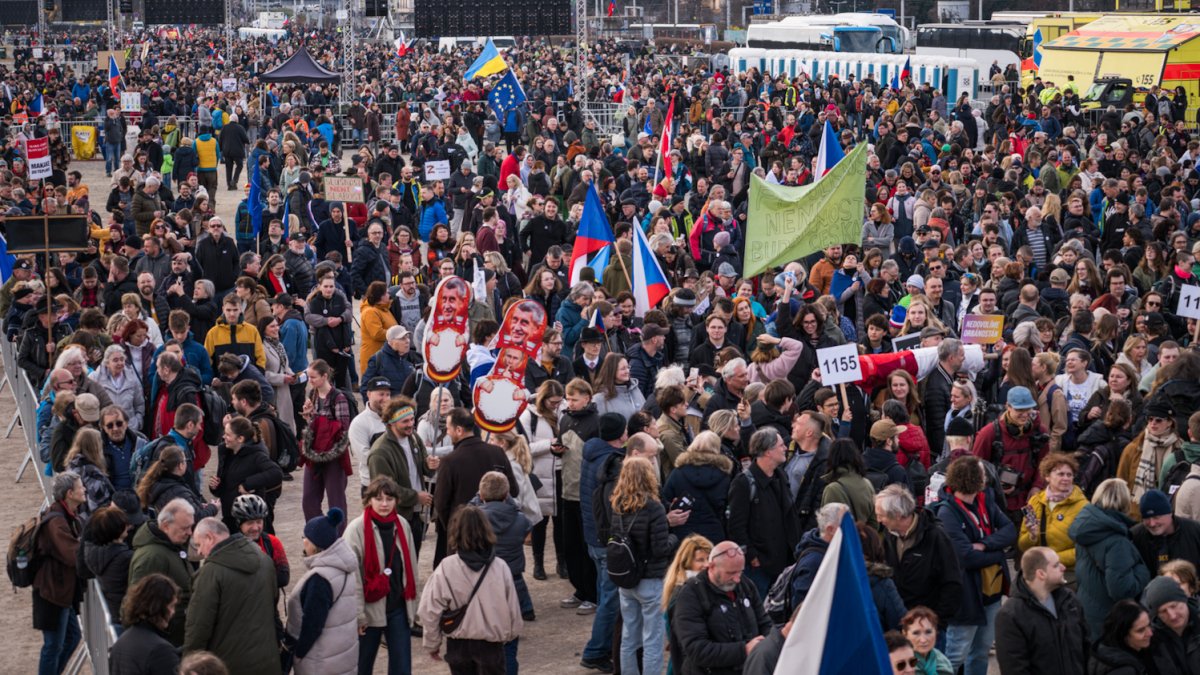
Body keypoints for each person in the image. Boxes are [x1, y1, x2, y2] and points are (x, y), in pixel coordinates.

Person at [933, 455, 1015, 675]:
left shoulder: (985, 499)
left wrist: (986, 545)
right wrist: (998, 553)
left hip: (992, 592)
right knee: (955, 654)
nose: (986, 476)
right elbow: (966, 557)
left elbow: (1009, 530)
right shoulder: (947, 512)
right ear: (970, 477)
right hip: (966, 596)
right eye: (981, 472)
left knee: (981, 650)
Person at [417, 505, 523, 673]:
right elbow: (513, 607)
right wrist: (510, 634)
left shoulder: (446, 567)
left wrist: (432, 643)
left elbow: (429, 609)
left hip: (459, 645)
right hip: (491, 645)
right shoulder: (500, 567)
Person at [605, 457, 677, 675]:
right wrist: (674, 537)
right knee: (652, 640)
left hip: (626, 577)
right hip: (650, 579)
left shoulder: (617, 504)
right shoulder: (653, 508)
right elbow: (660, 549)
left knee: (629, 635)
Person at [184, 517, 282, 675]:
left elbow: (198, 628)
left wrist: (188, 665)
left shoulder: (210, 573)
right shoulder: (264, 560)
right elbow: (273, 610)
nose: (200, 552)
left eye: (198, 544)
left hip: (228, 666)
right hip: (268, 662)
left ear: (210, 537)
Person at [345, 476, 419, 675]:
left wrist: (412, 606)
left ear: (396, 501)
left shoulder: (402, 524)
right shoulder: (355, 530)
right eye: (379, 499)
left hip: (397, 607)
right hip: (369, 610)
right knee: (362, 666)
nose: (384, 504)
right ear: (369, 500)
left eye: (389, 498)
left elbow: (411, 566)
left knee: (402, 668)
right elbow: (353, 579)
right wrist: (358, 616)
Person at [669, 540, 771, 675]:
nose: (737, 579)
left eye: (740, 572)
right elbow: (696, 649)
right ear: (711, 567)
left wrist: (767, 643)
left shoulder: (745, 585)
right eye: (730, 573)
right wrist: (743, 650)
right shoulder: (690, 595)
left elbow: (764, 622)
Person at [431, 407, 518, 565]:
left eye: (448, 429)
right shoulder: (497, 453)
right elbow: (514, 490)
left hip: (463, 537)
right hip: (497, 533)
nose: (447, 433)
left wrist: (453, 525)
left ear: (458, 430)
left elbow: (441, 503)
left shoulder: (450, 462)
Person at [1068, 478, 1151, 641]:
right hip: (1109, 620)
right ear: (1125, 502)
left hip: (1088, 611)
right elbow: (1121, 589)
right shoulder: (1116, 540)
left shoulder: (1086, 528)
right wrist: (1144, 572)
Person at [876, 485, 963, 636]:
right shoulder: (889, 535)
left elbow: (952, 583)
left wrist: (936, 623)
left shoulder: (936, 537)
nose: (878, 520)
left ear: (897, 515)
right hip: (898, 628)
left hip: (928, 631)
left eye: (881, 515)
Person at [725, 428, 801, 599]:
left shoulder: (780, 475)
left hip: (785, 560)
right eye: (781, 445)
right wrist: (752, 556)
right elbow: (735, 525)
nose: (785, 448)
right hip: (761, 566)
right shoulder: (744, 483)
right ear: (768, 451)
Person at [286, 508, 359, 675]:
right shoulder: (346, 567)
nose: (303, 540)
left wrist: (298, 654)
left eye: (305, 537)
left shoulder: (320, 579)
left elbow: (312, 625)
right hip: (343, 657)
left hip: (320, 662)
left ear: (314, 544)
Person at [994, 546, 1088, 675]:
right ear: (1041, 574)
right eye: (1056, 565)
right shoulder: (1011, 615)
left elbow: (1086, 648)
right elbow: (1014, 668)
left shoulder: (1069, 600)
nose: (1063, 567)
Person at [33, 472, 85, 675]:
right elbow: (73, 555)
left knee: (72, 637)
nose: (85, 490)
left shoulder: (69, 516)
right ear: (70, 493)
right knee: (53, 645)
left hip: (61, 591)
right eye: (81, 487)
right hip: (52, 591)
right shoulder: (57, 521)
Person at [128, 498, 196, 646]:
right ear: (165, 526)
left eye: (191, 527)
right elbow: (135, 605)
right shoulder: (152, 557)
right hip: (164, 641)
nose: (190, 533)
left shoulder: (172, 546)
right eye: (185, 528)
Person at [1017, 453, 1088, 581]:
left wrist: (1051, 559)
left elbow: (1085, 548)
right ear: (1047, 476)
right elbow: (1023, 546)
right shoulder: (1035, 501)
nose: (1066, 478)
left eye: (1069, 475)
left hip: (1068, 575)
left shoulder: (1083, 507)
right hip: (1039, 573)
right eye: (1060, 474)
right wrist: (1032, 536)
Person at [300, 360, 353, 525]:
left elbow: (344, 430)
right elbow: (313, 427)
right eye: (308, 377)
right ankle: (318, 533)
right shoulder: (312, 395)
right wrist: (309, 417)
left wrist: (320, 421)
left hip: (334, 455)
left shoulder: (339, 398)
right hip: (314, 452)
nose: (310, 380)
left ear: (324, 376)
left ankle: (337, 538)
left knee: (336, 502)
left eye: (313, 377)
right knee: (309, 500)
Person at [209, 415, 282, 534]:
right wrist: (215, 486)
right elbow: (224, 485)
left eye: (228, 435)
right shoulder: (227, 453)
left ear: (240, 439)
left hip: (249, 520)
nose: (224, 437)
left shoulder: (257, 455)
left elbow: (276, 473)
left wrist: (248, 484)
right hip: (230, 517)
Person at [660, 431, 733, 544]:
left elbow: (664, 500)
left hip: (683, 535)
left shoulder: (678, 473)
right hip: (714, 534)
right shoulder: (724, 476)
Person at [108, 573, 183, 675]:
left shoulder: (121, 643)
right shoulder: (161, 652)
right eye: (171, 606)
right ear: (157, 606)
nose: (173, 612)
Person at [1130, 489, 1200, 578]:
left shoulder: (1194, 532)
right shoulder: (1135, 537)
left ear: (1170, 513)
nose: (1152, 523)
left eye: (1156, 517)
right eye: (1147, 518)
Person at [1143, 575, 1200, 673]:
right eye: (1163, 611)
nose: (1172, 616)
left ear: (1184, 600)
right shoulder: (1151, 640)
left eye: (1174, 606)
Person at [231, 494, 289, 589]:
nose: (255, 528)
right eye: (249, 523)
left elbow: (283, 578)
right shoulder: (230, 547)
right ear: (239, 524)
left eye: (259, 522)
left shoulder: (272, 542)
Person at [821, 438, 879, 528]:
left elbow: (828, 527)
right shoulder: (867, 484)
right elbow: (874, 523)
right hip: (862, 540)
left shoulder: (832, 489)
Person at [1088, 599, 1155, 675]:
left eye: (1149, 625)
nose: (1150, 633)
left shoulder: (1104, 647)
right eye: (1141, 630)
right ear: (1123, 634)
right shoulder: (1124, 671)